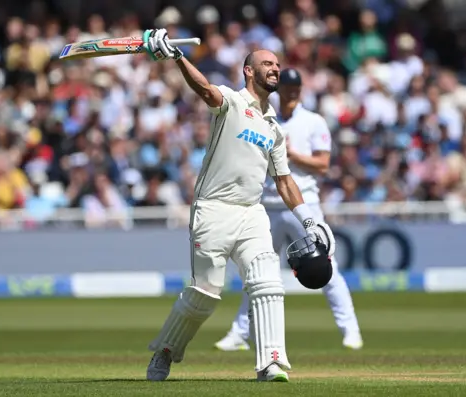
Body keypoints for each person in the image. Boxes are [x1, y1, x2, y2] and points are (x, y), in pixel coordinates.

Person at [143, 29, 334, 382]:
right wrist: (176, 56)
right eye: (267, 64)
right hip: (213, 209)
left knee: (268, 283)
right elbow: (204, 89)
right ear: (249, 71)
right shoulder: (230, 102)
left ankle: (271, 362)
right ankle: (165, 351)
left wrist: (310, 220)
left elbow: (284, 180)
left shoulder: (274, 128)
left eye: (277, 64)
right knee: (204, 296)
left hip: (251, 212)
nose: (275, 69)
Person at [214, 68, 364, 352]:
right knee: (255, 271)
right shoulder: (262, 116)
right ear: (279, 90)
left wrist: (290, 154)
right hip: (266, 205)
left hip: (302, 203)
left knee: (326, 266)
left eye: (296, 88)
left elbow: (322, 165)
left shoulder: (313, 122)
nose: (292, 92)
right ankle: (240, 333)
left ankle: (351, 330)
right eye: (288, 88)